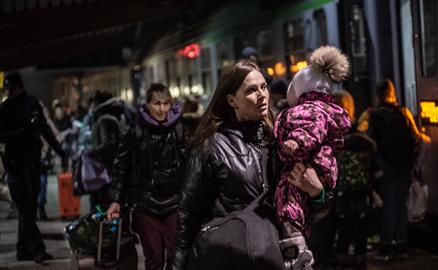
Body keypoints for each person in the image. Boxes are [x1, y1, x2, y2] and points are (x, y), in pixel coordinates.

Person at [172, 61, 328, 270]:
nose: (262, 95)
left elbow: (308, 210)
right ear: (231, 100)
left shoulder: (283, 142)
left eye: (264, 87)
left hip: (280, 256)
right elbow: (188, 216)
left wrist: (318, 193)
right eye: (251, 90)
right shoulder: (210, 147)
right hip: (232, 256)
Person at [273, 46, 351, 267]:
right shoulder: (325, 111)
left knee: (289, 204)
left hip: (305, 167)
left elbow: (308, 130)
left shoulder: (306, 113)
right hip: (317, 169)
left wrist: (295, 142)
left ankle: (296, 250)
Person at [106, 83, 184, 270]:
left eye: (166, 103)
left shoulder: (180, 128)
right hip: (144, 203)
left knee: (176, 255)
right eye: (157, 103)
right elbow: (120, 166)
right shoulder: (134, 129)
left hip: (174, 201)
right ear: (147, 104)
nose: (162, 109)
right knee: (154, 257)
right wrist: (115, 200)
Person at [0, 72, 65, 263]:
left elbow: (44, 129)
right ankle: (37, 248)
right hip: (16, 165)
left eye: (10, 87)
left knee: (27, 208)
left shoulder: (29, 104)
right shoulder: (7, 108)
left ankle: (23, 249)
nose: (9, 91)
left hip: (29, 163)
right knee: (26, 207)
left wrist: (59, 151)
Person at [369, 79, 430, 261]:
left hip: (386, 168)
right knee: (401, 205)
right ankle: (402, 244)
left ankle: (387, 246)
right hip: (404, 167)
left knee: (388, 206)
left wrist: (377, 167)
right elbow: (416, 138)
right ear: (393, 93)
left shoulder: (377, 115)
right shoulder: (404, 112)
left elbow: (372, 143)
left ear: (378, 94)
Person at [333, 90, 377, 269]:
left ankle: (341, 257)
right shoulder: (358, 131)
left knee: (344, 224)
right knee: (361, 223)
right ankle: (360, 257)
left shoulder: (332, 130)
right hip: (362, 186)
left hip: (342, 186)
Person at [86, 90, 128, 210]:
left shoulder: (105, 119)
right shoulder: (114, 116)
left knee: (100, 203)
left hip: (104, 169)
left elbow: (109, 143)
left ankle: (100, 227)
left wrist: (91, 152)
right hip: (109, 168)